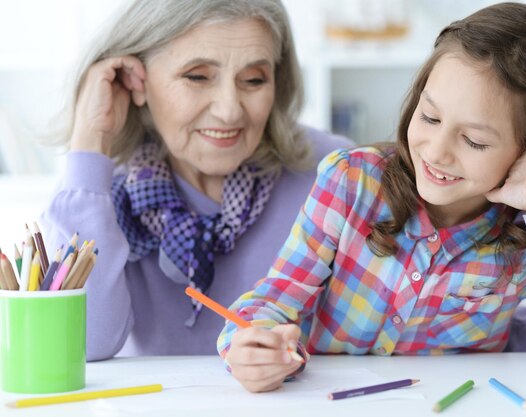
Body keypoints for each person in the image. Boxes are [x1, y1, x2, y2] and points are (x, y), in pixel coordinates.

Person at [217, 2, 526, 392]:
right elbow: (275, 298)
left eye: (474, 140)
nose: (436, 150)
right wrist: (252, 345)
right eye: (429, 117)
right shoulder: (350, 182)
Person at [39, 0, 352, 361]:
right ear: (135, 81)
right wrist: (90, 141)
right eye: (197, 77)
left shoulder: (334, 175)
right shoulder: (97, 192)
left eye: (253, 80)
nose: (229, 109)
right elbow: (82, 346)